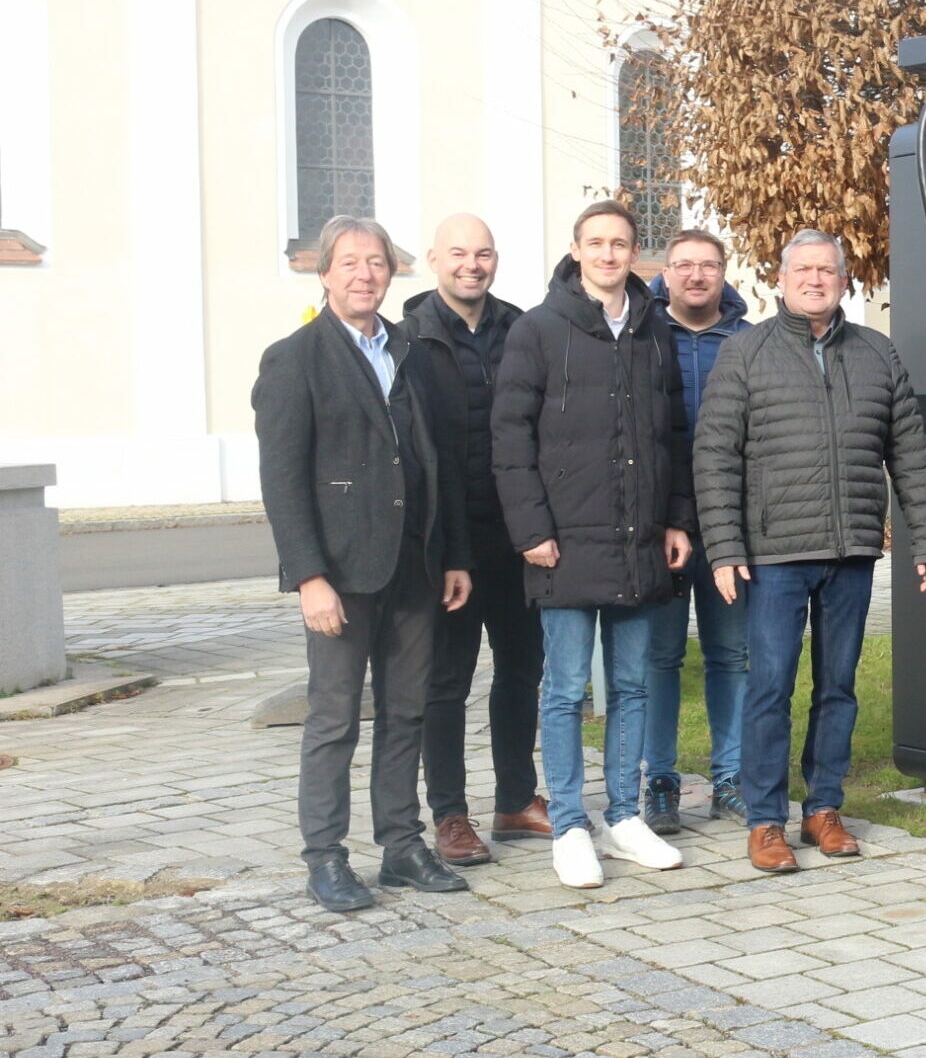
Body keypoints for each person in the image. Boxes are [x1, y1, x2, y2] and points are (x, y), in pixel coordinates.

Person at [693, 229, 926, 874]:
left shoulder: (877, 354)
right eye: (803, 270)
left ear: (843, 280)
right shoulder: (745, 353)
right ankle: (765, 820)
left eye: (826, 270)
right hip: (775, 552)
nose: (814, 279)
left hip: (852, 549)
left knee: (838, 687)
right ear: (780, 280)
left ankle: (823, 808)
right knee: (769, 687)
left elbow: (910, 453)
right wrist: (723, 548)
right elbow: (715, 457)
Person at [253, 215, 474, 912]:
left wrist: (455, 556)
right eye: (348, 262)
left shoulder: (411, 354)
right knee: (335, 720)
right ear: (324, 274)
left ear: (390, 273)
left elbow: (442, 464)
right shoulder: (295, 358)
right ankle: (324, 856)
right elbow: (283, 480)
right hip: (342, 576)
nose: (363, 274)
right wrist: (309, 576)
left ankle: (403, 847)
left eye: (375, 262)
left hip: (414, 566)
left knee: (408, 711)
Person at [490, 199, 695, 889]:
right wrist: (531, 531)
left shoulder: (653, 330)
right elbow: (510, 439)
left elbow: (673, 433)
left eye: (621, 244)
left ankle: (625, 815)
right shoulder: (539, 330)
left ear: (635, 254)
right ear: (576, 250)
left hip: (639, 539)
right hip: (564, 543)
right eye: (596, 243)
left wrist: (676, 519)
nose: (609, 255)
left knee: (632, 685)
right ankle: (572, 824)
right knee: (567, 689)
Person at [396, 213, 548, 863]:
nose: (472, 265)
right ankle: (450, 815)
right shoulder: (408, 339)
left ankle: (516, 799)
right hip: (446, 546)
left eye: (483, 253)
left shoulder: (522, 332)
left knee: (522, 671)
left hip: (518, 539)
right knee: (446, 681)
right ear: (433, 259)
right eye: (458, 253)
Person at [642, 229, 752, 829]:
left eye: (707, 265)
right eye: (683, 265)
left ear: (722, 272)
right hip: (658, 523)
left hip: (729, 521)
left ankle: (730, 778)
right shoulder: (640, 333)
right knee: (659, 656)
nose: (695, 276)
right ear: (667, 273)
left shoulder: (749, 340)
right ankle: (660, 780)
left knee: (731, 654)